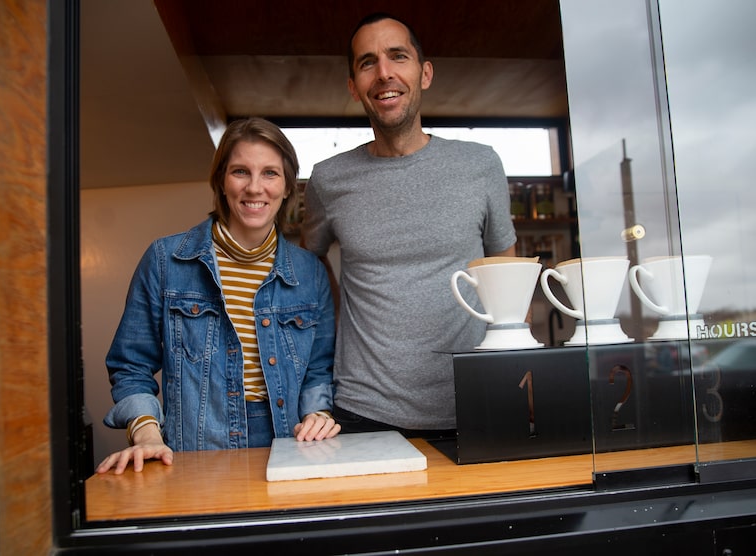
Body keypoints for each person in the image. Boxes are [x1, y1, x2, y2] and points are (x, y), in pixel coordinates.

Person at [302, 13, 517, 438]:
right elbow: (310, 260)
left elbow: (507, 268)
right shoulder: (327, 179)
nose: (384, 73)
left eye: (397, 56)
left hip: (475, 398)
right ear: (353, 86)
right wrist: (343, 315)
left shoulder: (480, 164)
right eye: (367, 63)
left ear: (424, 73)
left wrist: (517, 363)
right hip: (363, 407)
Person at [97, 117, 340, 474]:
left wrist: (318, 414)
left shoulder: (310, 273)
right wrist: (147, 434)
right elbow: (131, 364)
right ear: (221, 182)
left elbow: (318, 369)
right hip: (195, 452)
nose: (255, 188)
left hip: (291, 448)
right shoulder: (166, 261)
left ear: (288, 186)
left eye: (270, 173)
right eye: (241, 171)